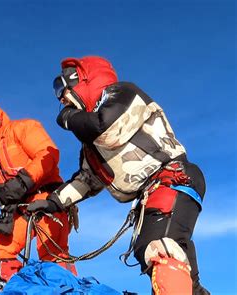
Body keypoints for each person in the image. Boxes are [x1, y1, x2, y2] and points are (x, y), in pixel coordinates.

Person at [27, 56, 209, 294]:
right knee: (173, 262)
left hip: (171, 180)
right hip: (155, 193)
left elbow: (107, 128)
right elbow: (86, 181)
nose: (60, 97)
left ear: (82, 80)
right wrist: (51, 203)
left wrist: (68, 118)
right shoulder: (91, 149)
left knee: (159, 248)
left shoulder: (123, 94)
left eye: (61, 87)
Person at [0, 96, 77, 287]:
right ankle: (11, 287)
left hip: (48, 200)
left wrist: (23, 181)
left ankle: (65, 289)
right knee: (0, 249)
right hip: (19, 209)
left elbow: (48, 154)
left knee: (51, 250)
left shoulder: (23, 128)